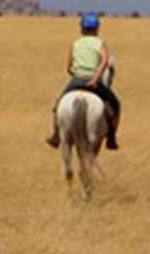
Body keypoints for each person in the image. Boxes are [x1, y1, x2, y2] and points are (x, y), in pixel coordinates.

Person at [45, 12, 121, 150]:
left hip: (76, 80)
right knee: (115, 105)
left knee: (58, 104)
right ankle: (111, 138)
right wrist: (95, 78)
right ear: (97, 28)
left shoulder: (76, 43)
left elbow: (69, 66)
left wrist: (75, 72)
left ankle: (55, 136)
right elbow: (104, 60)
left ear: (81, 28)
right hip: (94, 82)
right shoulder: (99, 43)